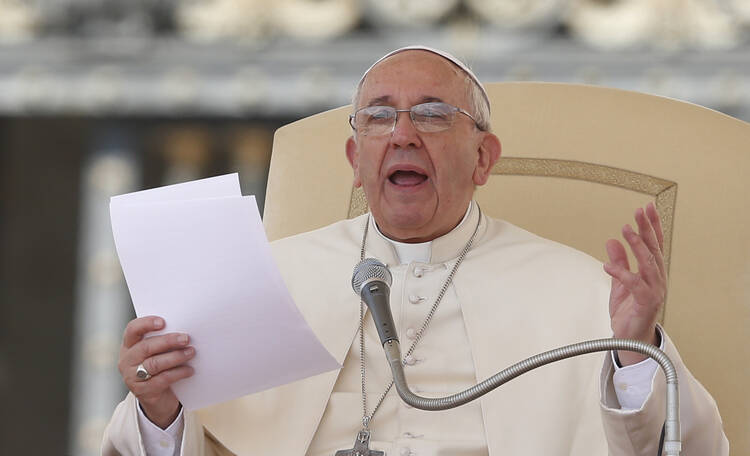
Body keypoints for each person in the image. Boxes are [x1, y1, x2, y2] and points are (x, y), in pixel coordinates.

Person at [103, 46, 728, 455]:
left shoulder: (582, 292)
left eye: (431, 114)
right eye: (378, 118)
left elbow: (685, 447)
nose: (401, 134)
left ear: (482, 158)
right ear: (356, 161)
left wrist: (632, 353)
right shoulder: (268, 279)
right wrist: (157, 407)